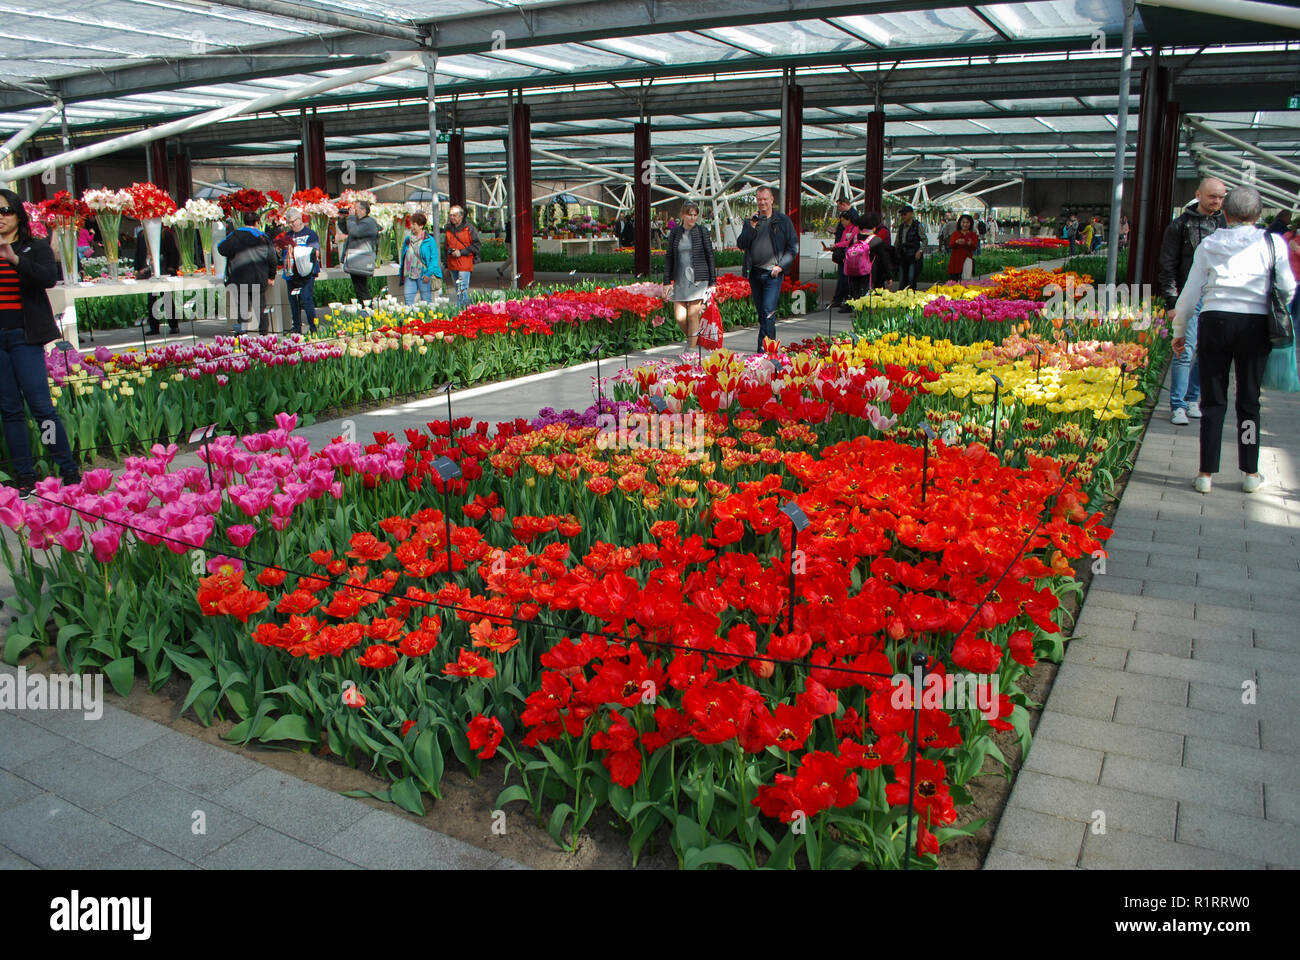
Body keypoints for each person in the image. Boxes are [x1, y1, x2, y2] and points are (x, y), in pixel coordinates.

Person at [1172, 186, 1294, 495]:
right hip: (1255, 326)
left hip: (1214, 321)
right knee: (1249, 400)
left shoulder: (1209, 244)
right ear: (1257, 215)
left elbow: (1190, 292)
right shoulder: (1274, 243)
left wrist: (1180, 330)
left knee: (1213, 401)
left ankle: (1205, 474)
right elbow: (1288, 288)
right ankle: (1250, 472)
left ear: (1225, 213)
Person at [0, 188, 81, 496]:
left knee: (41, 407)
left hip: (25, 337)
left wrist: (15, 258)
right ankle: (24, 475)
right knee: (9, 409)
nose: (0, 218)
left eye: (5, 211)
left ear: (19, 214)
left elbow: (47, 278)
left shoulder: (34, 248)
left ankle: (67, 468)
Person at [1160, 177, 1227, 425]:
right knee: (1184, 350)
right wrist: (1171, 302)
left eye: (1221, 197)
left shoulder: (1226, 226)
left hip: (1216, 296)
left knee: (1207, 352)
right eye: (1212, 196)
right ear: (1199, 195)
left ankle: (1192, 398)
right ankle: (1177, 404)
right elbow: (1167, 265)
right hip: (1189, 296)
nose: (1217, 201)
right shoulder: (1180, 226)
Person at [736, 185, 797, 352]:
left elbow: (793, 247)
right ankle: (772, 348)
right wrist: (751, 227)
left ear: (771, 200)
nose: (762, 202)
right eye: (759, 199)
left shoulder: (782, 221)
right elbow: (741, 243)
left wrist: (780, 266)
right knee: (764, 313)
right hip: (754, 272)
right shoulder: (752, 222)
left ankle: (762, 351)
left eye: (765, 199)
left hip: (772, 274)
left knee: (768, 311)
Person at [662, 202, 717, 348]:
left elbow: (710, 256)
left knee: (693, 316)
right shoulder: (675, 233)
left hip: (698, 278)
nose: (692, 218)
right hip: (680, 278)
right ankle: (695, 340)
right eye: (689, 215)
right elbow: (669, 257)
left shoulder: (702, 231)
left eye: (695, 215)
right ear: (683, 215)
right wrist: (666, 281)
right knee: (679, 317)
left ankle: (691, 351)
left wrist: (713, 282)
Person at [218, 210, 278, 335]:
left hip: (239, 278)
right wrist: (271, 276)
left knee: (242, 308)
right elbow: (272, 258)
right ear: (257, 223)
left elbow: (221, 248)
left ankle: (242, 334)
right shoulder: (263, 237)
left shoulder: (234, 235)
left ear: (244, 222)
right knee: (260, 307)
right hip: (258, 277)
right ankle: (264, 335)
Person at [134, 222, 182, 336]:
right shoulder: (141, 235)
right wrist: (138, 268)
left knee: (167, 298)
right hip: (149, 273)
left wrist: (171, 269)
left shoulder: (164, 234)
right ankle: (154, 327)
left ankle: (174, 325)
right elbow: (138, 254)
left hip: (164, 272)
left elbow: (173, 253)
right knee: (151, 300)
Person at [281, 206, 320, 334]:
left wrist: (296, 249)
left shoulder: (310, 234)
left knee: (306, 299)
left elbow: (315, 253)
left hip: (306, 272)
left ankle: (313, 328)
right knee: (293, 301)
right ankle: (296, 327)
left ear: (300, 219)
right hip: (291, 273)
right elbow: (283, 254)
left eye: (293, 221)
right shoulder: (288, 235)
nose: (291, 225)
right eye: (289, 222)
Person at [335, 199, 378, 305]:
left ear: (364, 210)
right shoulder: (360, 222)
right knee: (359, 288)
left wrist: (351, 217)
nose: (354, 211)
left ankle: (368, 312)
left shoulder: (369, 222)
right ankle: (365, 311)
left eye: (356, 208)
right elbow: (348, 230)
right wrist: (341, 219)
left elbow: (354, 231)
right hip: (357, 259)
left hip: (361, 259)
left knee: (362, 289)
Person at [400, 211, 443, 306]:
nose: (411, 226)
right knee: (408, 299)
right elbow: (403, 255)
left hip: (423, 274)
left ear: (421, 225)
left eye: (414, 224)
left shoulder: (429, 240)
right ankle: (410, 319)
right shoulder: (408, 240)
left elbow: (434, 259)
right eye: (411, 224)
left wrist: (428, 274)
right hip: (410, 274)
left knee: (426, 300)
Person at [822, 198, 858, 310]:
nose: (841, 223)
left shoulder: (853, 222)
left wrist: (836, 245)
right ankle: (839, 299)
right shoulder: (846, 228)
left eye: (839, 206)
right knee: (842, 277)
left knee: (846, 278)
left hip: (848, 255)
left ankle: (845, 300)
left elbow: (849, 241)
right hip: (843, 254)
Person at [443, 205, 481, 310]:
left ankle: (463, 311)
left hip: (464, 263)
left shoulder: (470, 228)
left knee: (462, 288)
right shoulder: (448, 229)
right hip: (452, 263)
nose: (452, 218)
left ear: (461, 216)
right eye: (450, 215)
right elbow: (446, 248)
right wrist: (446, 265)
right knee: (458, 289)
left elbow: (477, 246)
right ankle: (467, 309)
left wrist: (461, 252)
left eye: (454, 215)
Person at [893, 205, 924, 290]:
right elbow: (897, 241)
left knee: (911, 278)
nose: (903, 216)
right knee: (902, 279)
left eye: (904, 214)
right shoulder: (901, 227)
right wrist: (895, 252)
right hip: (902, 256)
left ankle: (911, 297)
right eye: (902, 214)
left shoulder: (917, 226)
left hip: (912, 256)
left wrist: (920, 251)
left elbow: (924, 240)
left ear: (911, 214)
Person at [946, 214, 979, 282]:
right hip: (955, 261)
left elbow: (975, 247)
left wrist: (970, 244)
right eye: (963, 222)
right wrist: (956, 242)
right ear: (960, 223)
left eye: (967, 222)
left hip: (967, 260)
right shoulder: (955, 234)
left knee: (966, 281)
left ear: (970, 224)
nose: (965, 224)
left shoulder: (973, 234)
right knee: (954, 282)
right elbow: (950, 245)